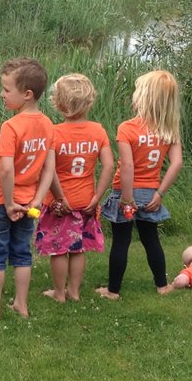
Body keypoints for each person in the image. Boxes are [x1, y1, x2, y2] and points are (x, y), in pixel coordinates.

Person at [0, 58, 55, 321]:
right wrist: (37, 201)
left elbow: (6, 169)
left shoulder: (11, 126)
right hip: (28, 202)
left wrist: (9, 203)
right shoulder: (47, 125)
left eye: (7, 90)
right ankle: (21, 304)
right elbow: (48, 169)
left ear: (27, 94)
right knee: (22, 253)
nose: (2, 94)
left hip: (2, 201)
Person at [96, 69, 183, 300]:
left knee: (122, 241)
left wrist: (126, 199)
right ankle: (162, 285)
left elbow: (127, 166)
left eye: (137, 91)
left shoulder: (128, 127)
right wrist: (160, 193)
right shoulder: (169, 129)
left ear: (145, 97)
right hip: (150, 194)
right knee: (150, 239)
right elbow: (177, 163)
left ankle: (113, 290)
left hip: (126, 193)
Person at [36, 74, 114, 303]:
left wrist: (59, 198)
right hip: (86, 201)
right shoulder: (98, 131)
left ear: (58, 103)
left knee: (59, 248)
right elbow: (109, 166)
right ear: (89, 102)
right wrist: (97, 197)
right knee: (77, 248)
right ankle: (75, 291)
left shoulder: (53, 132)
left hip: (59, 204)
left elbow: (47, 170)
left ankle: (59, 293)